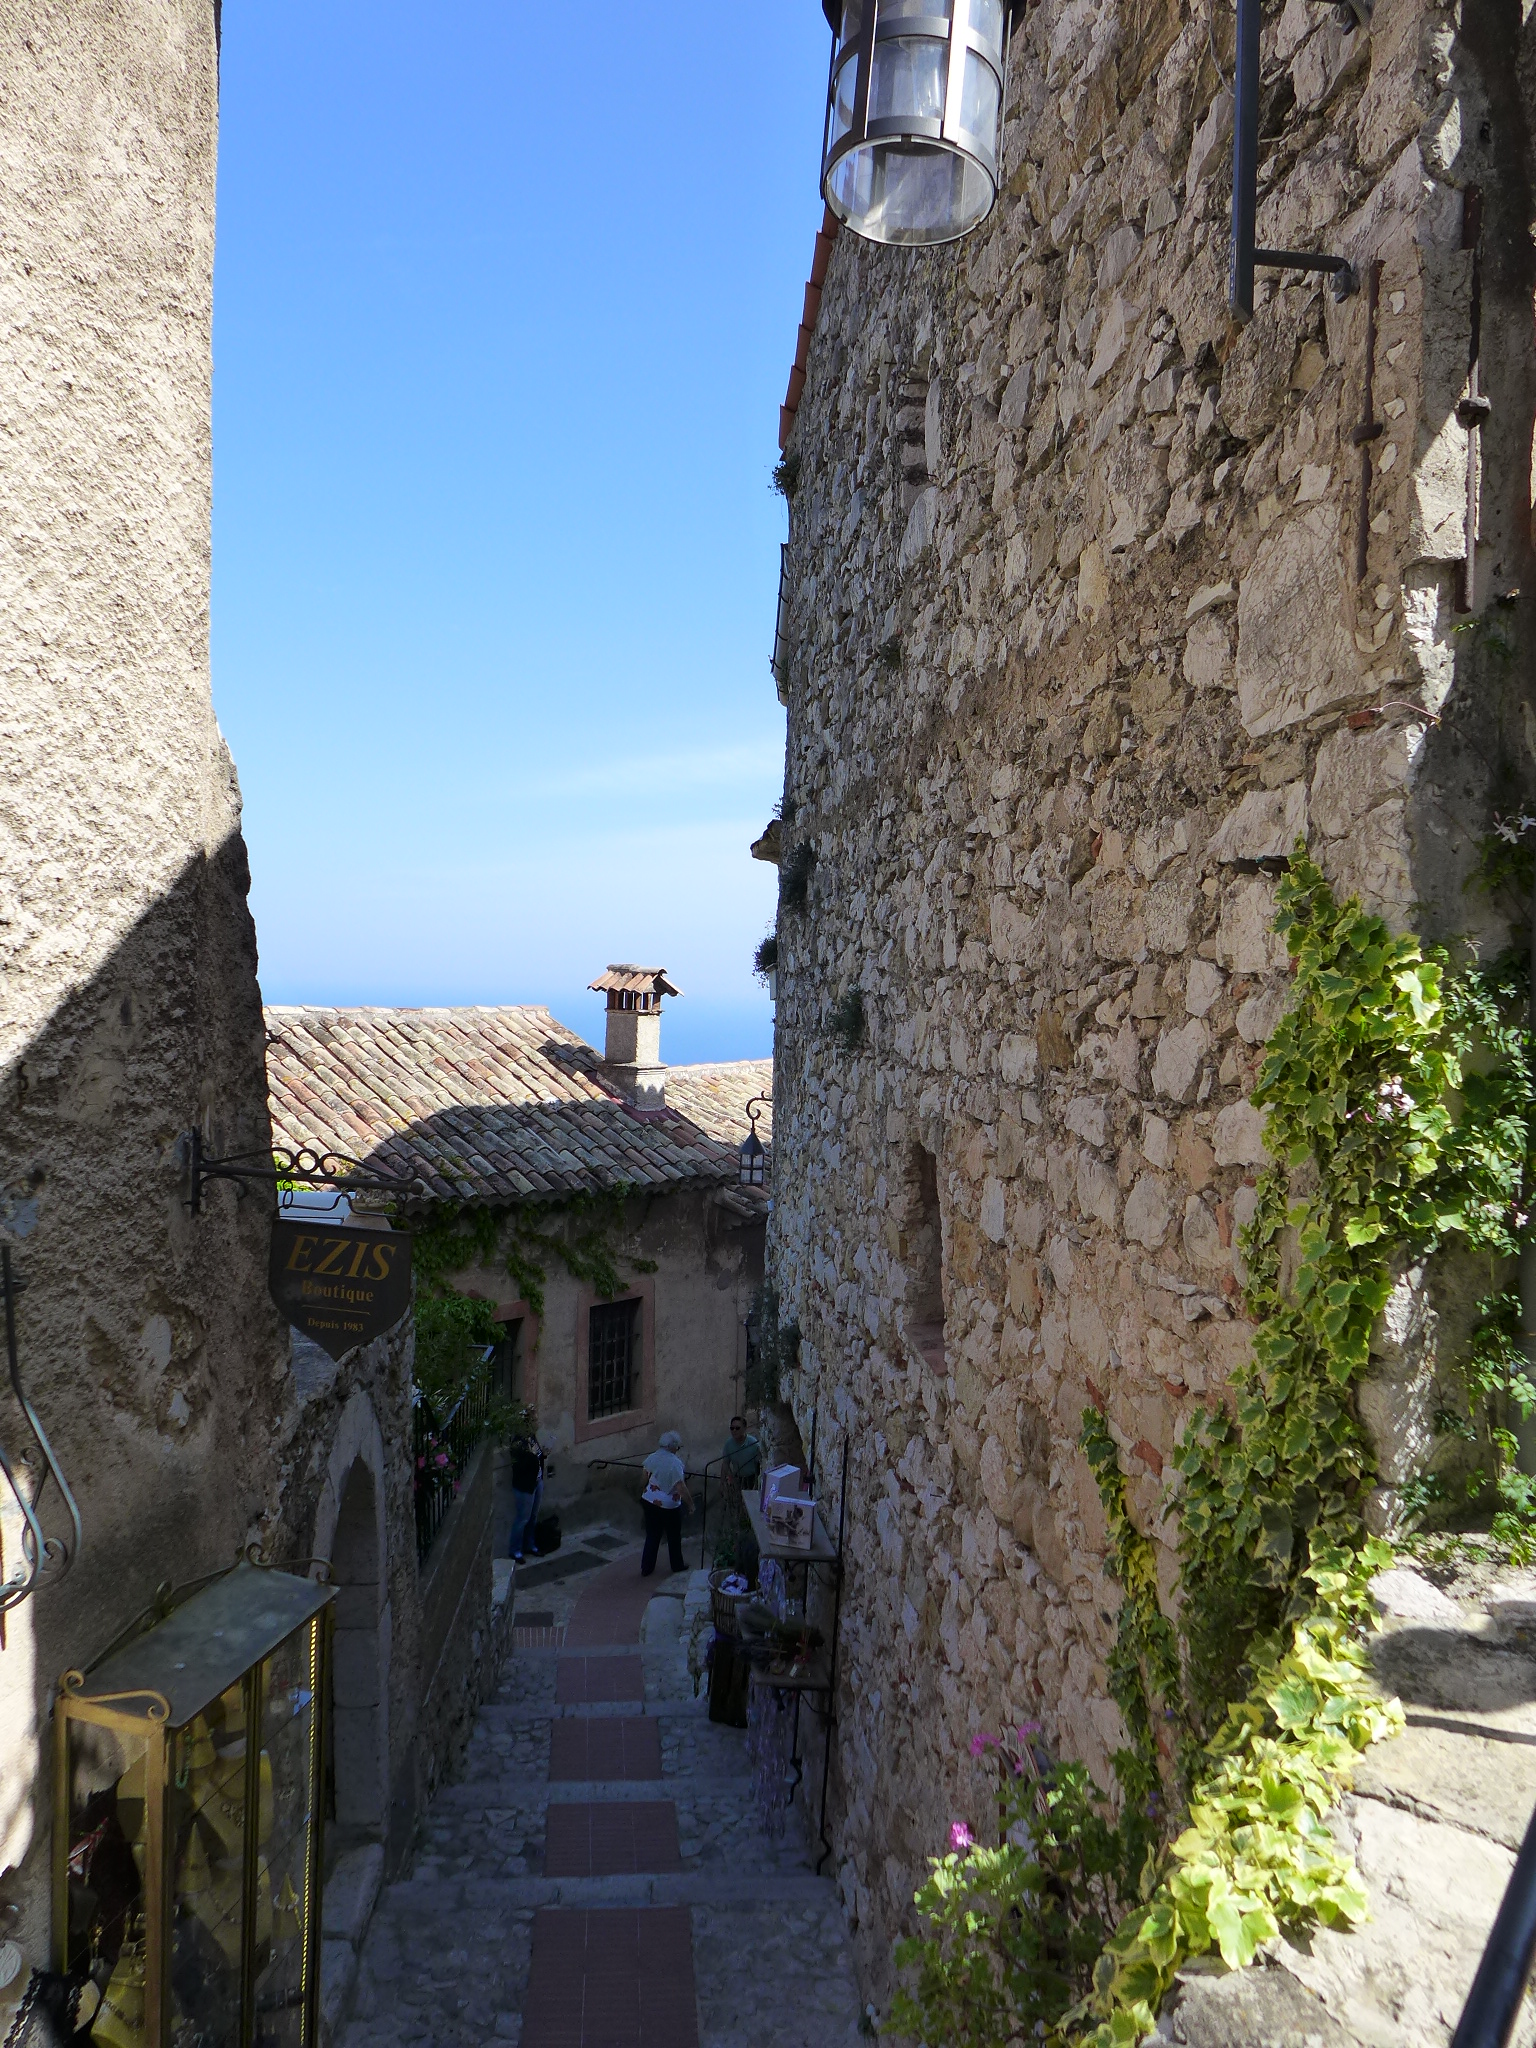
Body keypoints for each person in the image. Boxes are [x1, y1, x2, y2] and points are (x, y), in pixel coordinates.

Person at [640, 1429, 693, 1577]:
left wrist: (643, 1490)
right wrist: (691, 1504)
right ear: (673, 1446)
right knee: (673, 1535)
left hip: (649, 1500)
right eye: (678, 1447)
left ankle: (646, 1567)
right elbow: (680, 1487)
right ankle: (677, 1565)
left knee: (652, 1534)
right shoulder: (675, 1463)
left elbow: (644, 1477)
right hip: (669, 1506)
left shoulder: (652, 1457)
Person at [508, 1428, 547, 1563]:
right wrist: (531, 1455)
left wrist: (543, 1454)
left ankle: (530, 1545)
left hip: (537, 1482)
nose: (536, 1423)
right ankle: (515, 1550)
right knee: (522, 1519)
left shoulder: (532, 1437)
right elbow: (519, 1467)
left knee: (533, 1516)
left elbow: (538, 1457)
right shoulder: (517, 1444)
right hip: (525, 1487)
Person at [720, 1415, 761, 1489]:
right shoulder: (728, 1444)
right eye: (732, 1428)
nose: (734, 1431)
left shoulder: (753, 1443)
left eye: (737, 1428)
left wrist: (757, 1482)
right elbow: (725, 1463)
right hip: (737, 1478)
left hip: (752, 1479)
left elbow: (759, 1464)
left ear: (745, 1428)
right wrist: (728, 1478)